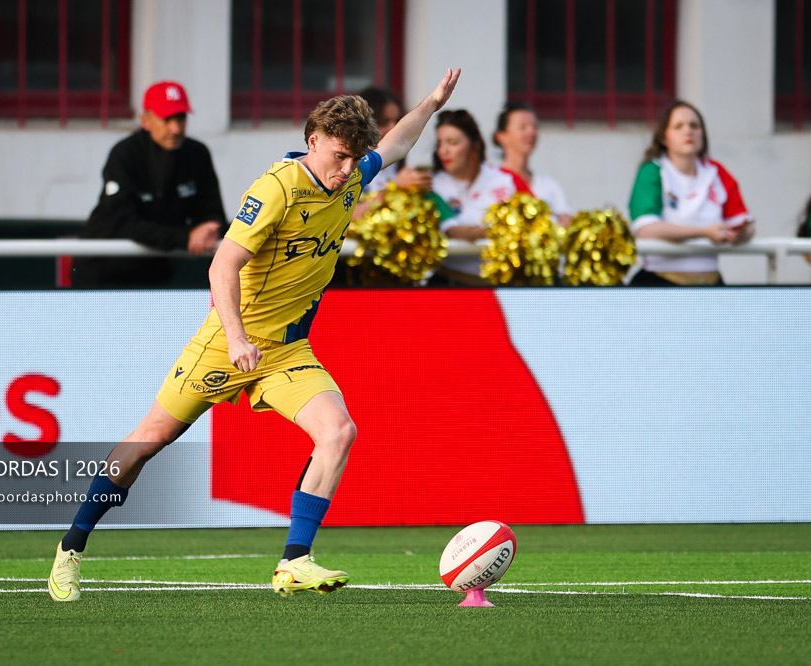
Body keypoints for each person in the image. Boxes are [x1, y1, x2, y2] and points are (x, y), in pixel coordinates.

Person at [48, 68, 462, 601]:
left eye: (354, 158)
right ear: (312, 141)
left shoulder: (354, 172)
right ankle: (70, 548)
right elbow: (222, 267)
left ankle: (295, 561)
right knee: (146, 443)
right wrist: (238, 338)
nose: (346, 170)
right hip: (229, 342)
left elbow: (397, 143)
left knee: (338, 432)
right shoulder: (276, 189)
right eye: (338, 156)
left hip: (287, 348)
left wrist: (431, 101)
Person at [70, 81, 227, 287]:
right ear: (146, 120)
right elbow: (122, 221)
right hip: (103, 273)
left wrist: (210, 230)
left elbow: (211, 212)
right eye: (167, 119)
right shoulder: (125, 154)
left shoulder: (197, 154)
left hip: (154, 274)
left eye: (180, 118)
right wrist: (184, 238)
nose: (176, 128)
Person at [628, 100, 754, 286]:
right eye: (678, 126)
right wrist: (703, 232)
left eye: (694, 126)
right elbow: (645, 229)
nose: (688, 132)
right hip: (660, 282)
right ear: (664, 137)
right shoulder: (653, 171)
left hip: (711, 282)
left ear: (702, 134)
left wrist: (740, 235)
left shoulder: (716, 172)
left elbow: (744, 224)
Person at [430, 108, 532, 284]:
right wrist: (501, 230)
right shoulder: (432, 186)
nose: (443, 151)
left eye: (453, 142)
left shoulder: (506, 180)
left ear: (475, 145)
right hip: (450, 284)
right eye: (440, 143)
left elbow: (537, 221)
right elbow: (452, 231)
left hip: (502, 285)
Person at [493, 102, 573, 226]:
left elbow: (567, 221)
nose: (531, 132)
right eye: (522, 127)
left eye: (535, 126)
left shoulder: (549, 185)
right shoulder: (491, 182)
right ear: (501, 136)